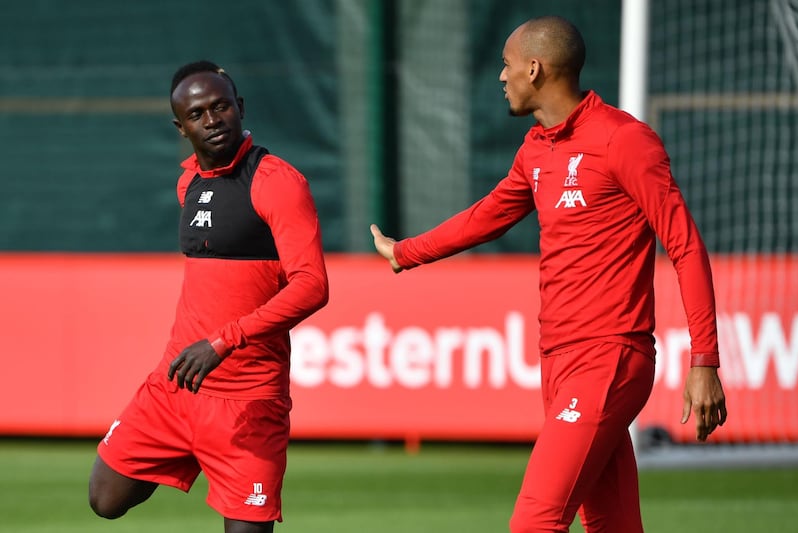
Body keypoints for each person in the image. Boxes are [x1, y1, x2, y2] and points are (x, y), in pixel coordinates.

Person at [370, 16, 727, 533]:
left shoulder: (624, 140)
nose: (501, 76)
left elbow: (685, 246)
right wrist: (406, 252)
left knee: (535, 521)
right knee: (611, 523)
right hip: (557, 360)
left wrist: (704, 360)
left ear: (534, 69)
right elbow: (486, 217)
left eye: (507, 65)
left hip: (610, 355)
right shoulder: (537, 148)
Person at [88, 61, 329, 533]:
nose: (212, 120)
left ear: (239, 108)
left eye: (221, 107)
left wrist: (224, 341)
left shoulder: (277, 181)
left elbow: (312, 286)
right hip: (175, 386)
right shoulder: (188, 184)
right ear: (182, 127)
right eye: (197, 114)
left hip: (247, 400)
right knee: (105, 497)